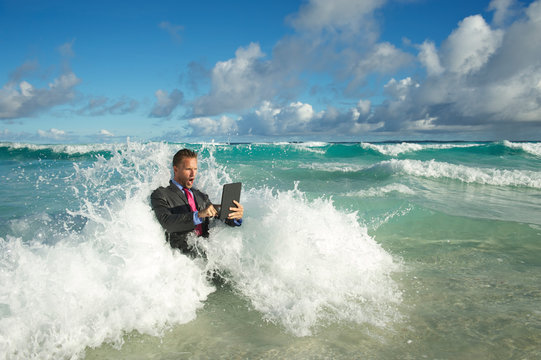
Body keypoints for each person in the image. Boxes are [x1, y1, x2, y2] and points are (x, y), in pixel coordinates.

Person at [151, 148, 243, 255]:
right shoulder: (161, 194)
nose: (193, 174)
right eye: (188, 169)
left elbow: (219, 219)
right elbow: (167, 223)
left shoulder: (201, 196)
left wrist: (234, 216)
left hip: (206, 257)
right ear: (175, 169)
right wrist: (198, 215)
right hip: (180, 260)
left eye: (195, 169)